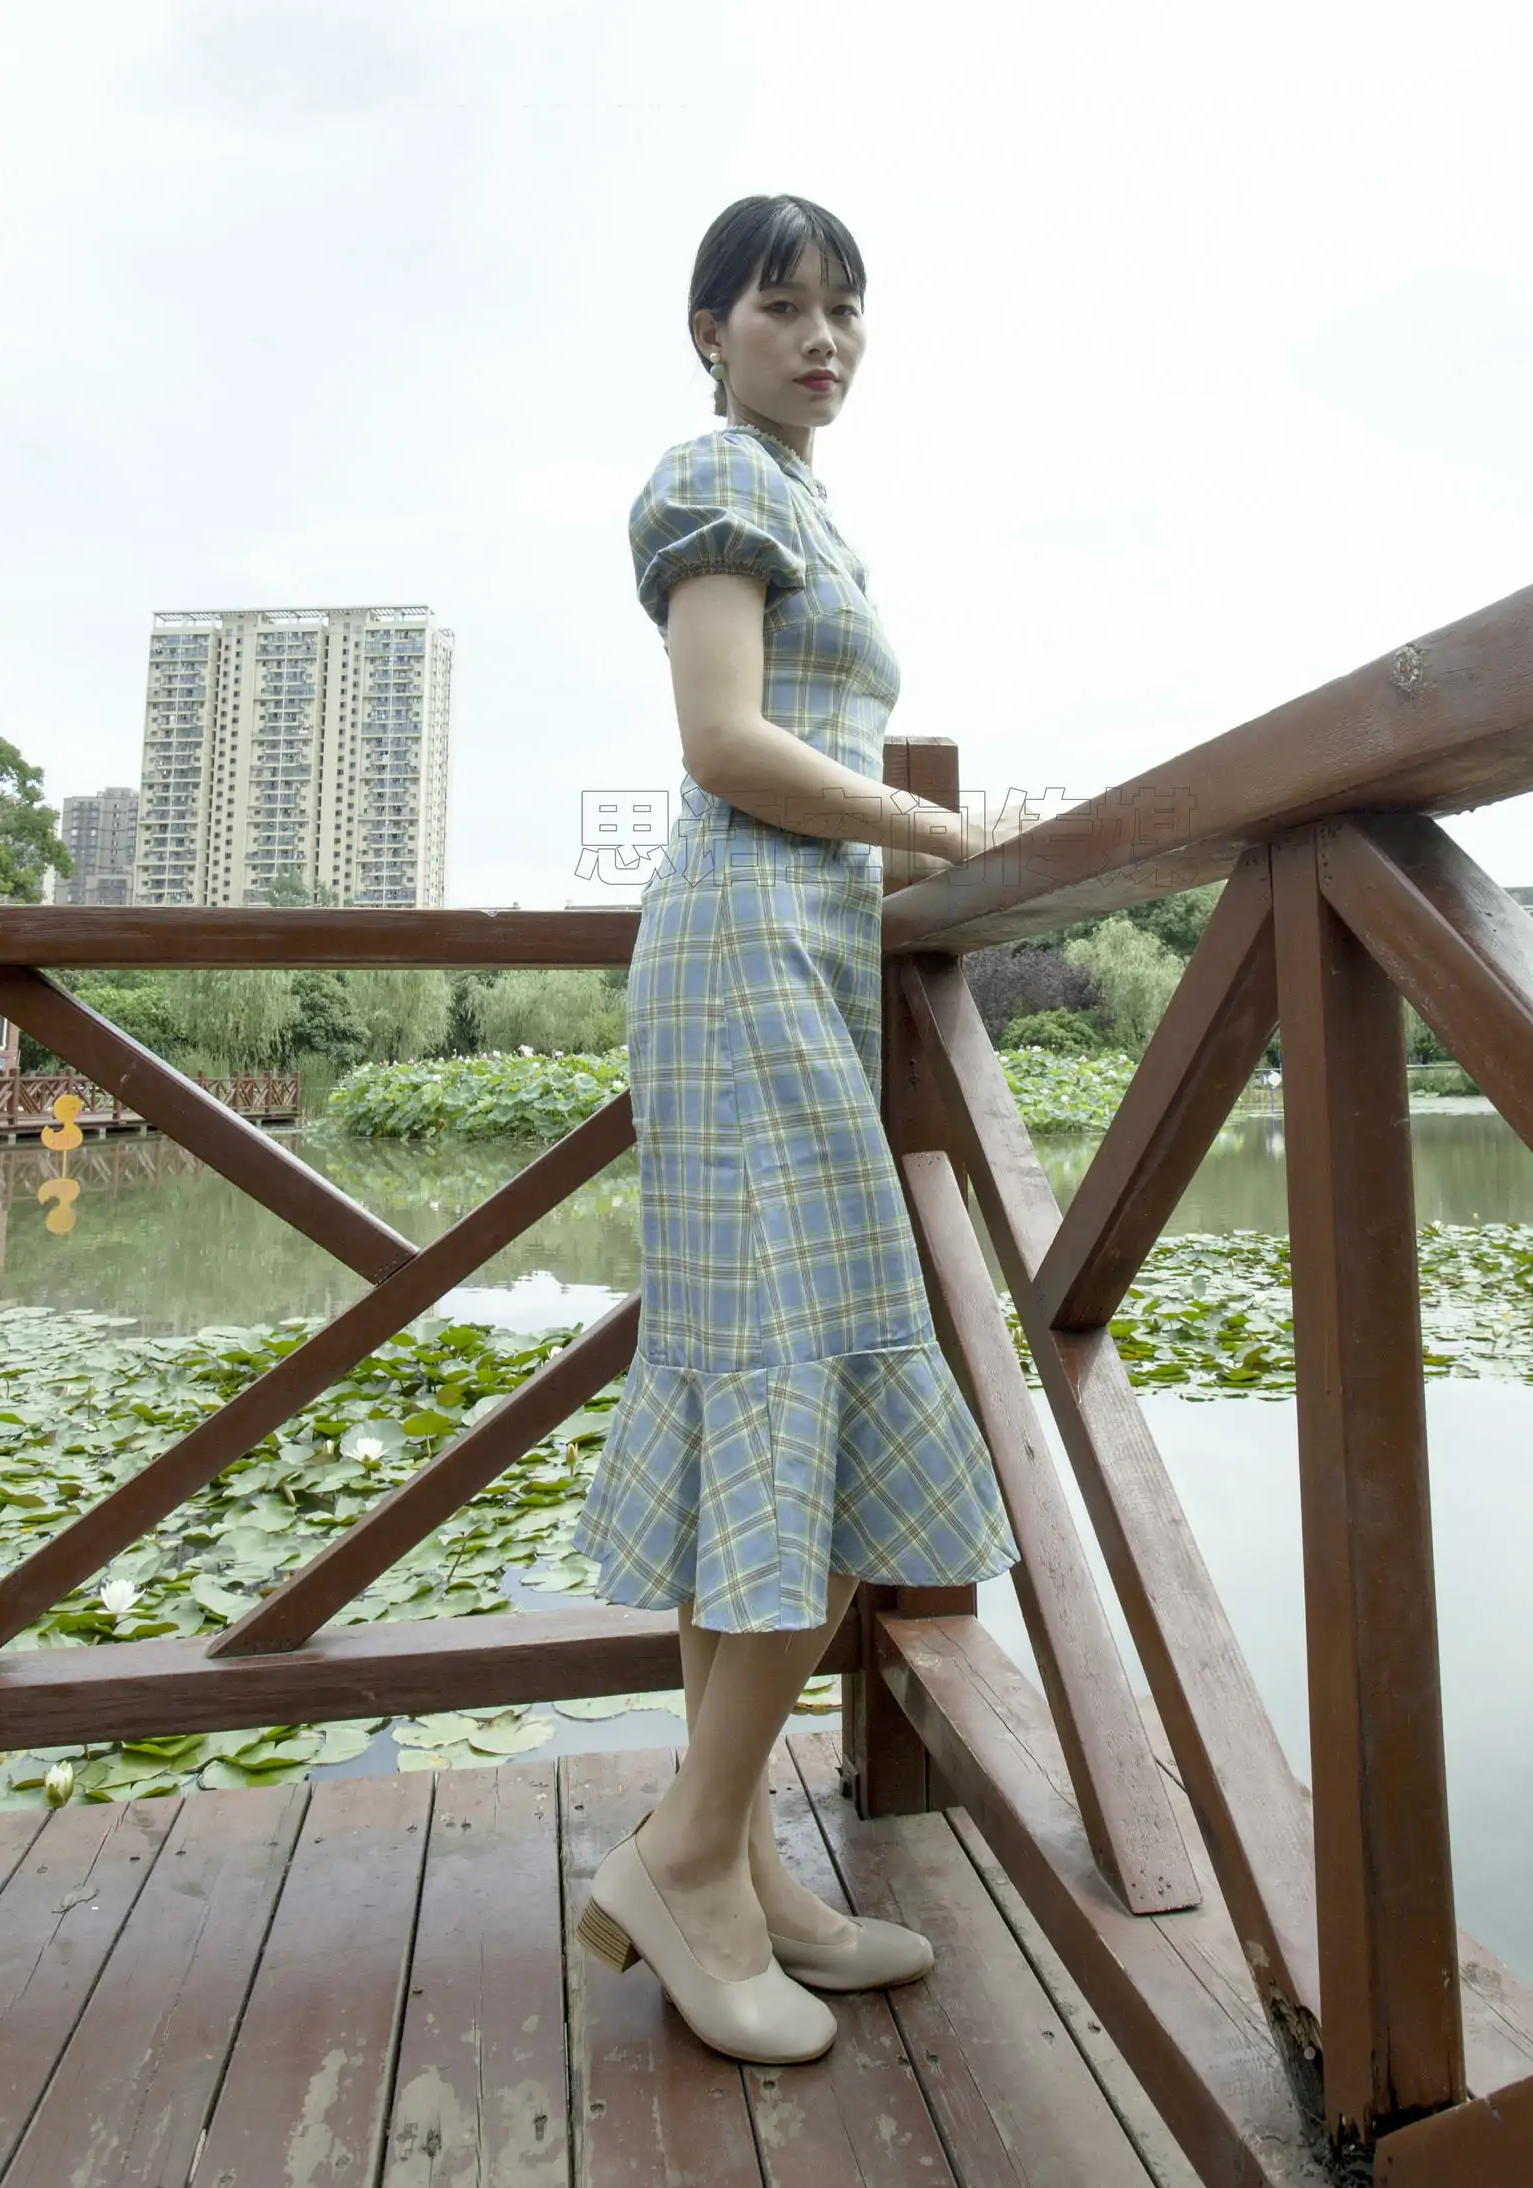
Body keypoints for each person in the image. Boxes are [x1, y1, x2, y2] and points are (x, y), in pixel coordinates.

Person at [572, 194, 1018, 2064]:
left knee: (771, 1385)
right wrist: (936, 830)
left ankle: (741, 1872)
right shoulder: (709, 484)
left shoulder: (806, 501)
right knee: (806, 1379)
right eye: (782, 306)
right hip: (746, 954)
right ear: (711, 330)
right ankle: (685, 1861)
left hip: (802, 960)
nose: (822, 336)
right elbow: (725, 747)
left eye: (846, 307)